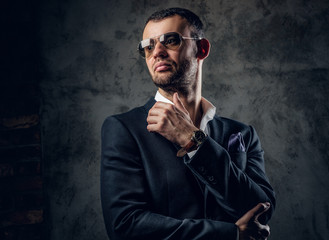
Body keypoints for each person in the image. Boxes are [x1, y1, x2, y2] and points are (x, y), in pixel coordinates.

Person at [101, 7, 275, 240]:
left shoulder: (242, 133)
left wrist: (195, 142)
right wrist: (229, 234)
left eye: (170, 41)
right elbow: (125, 226)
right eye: (148, 46)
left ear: (201, 49)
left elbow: (262, 210)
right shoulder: (123, 129)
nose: (157, 52)